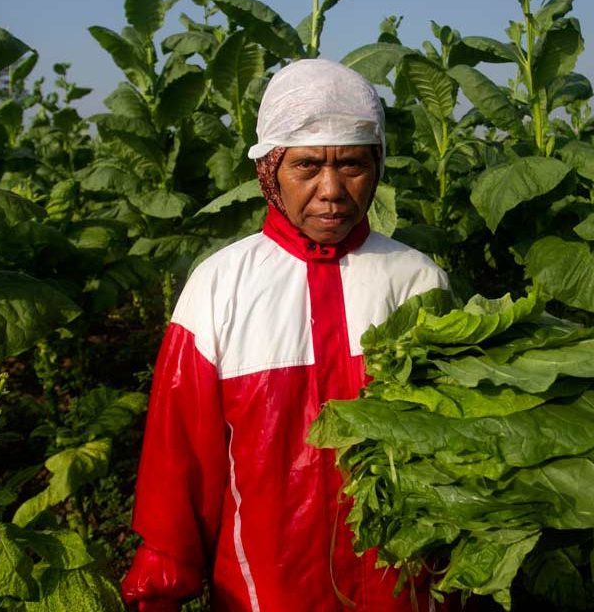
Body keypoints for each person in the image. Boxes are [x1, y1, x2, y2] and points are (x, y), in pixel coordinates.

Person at [121, 59, 449, 612]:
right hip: (265, 590)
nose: (331, 191)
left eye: (351, 165)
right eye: (307, 167)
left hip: (402, 587)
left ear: (378, 167)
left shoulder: (417, 280)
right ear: (269, 171)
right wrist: (164, 574)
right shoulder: (220, 285)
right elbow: (180, 456)